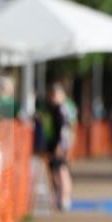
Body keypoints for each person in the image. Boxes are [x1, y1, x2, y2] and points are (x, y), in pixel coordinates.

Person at [42, 83, 74, 212]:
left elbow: (65, 129)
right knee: (57, 171)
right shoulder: (55, 109)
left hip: (60, 145)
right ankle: (61, 198)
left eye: (55, 95)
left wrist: (61, 145)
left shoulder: (61, 109)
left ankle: (65, 199)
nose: (52, 97)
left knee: (62, 170)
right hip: (56, 144)